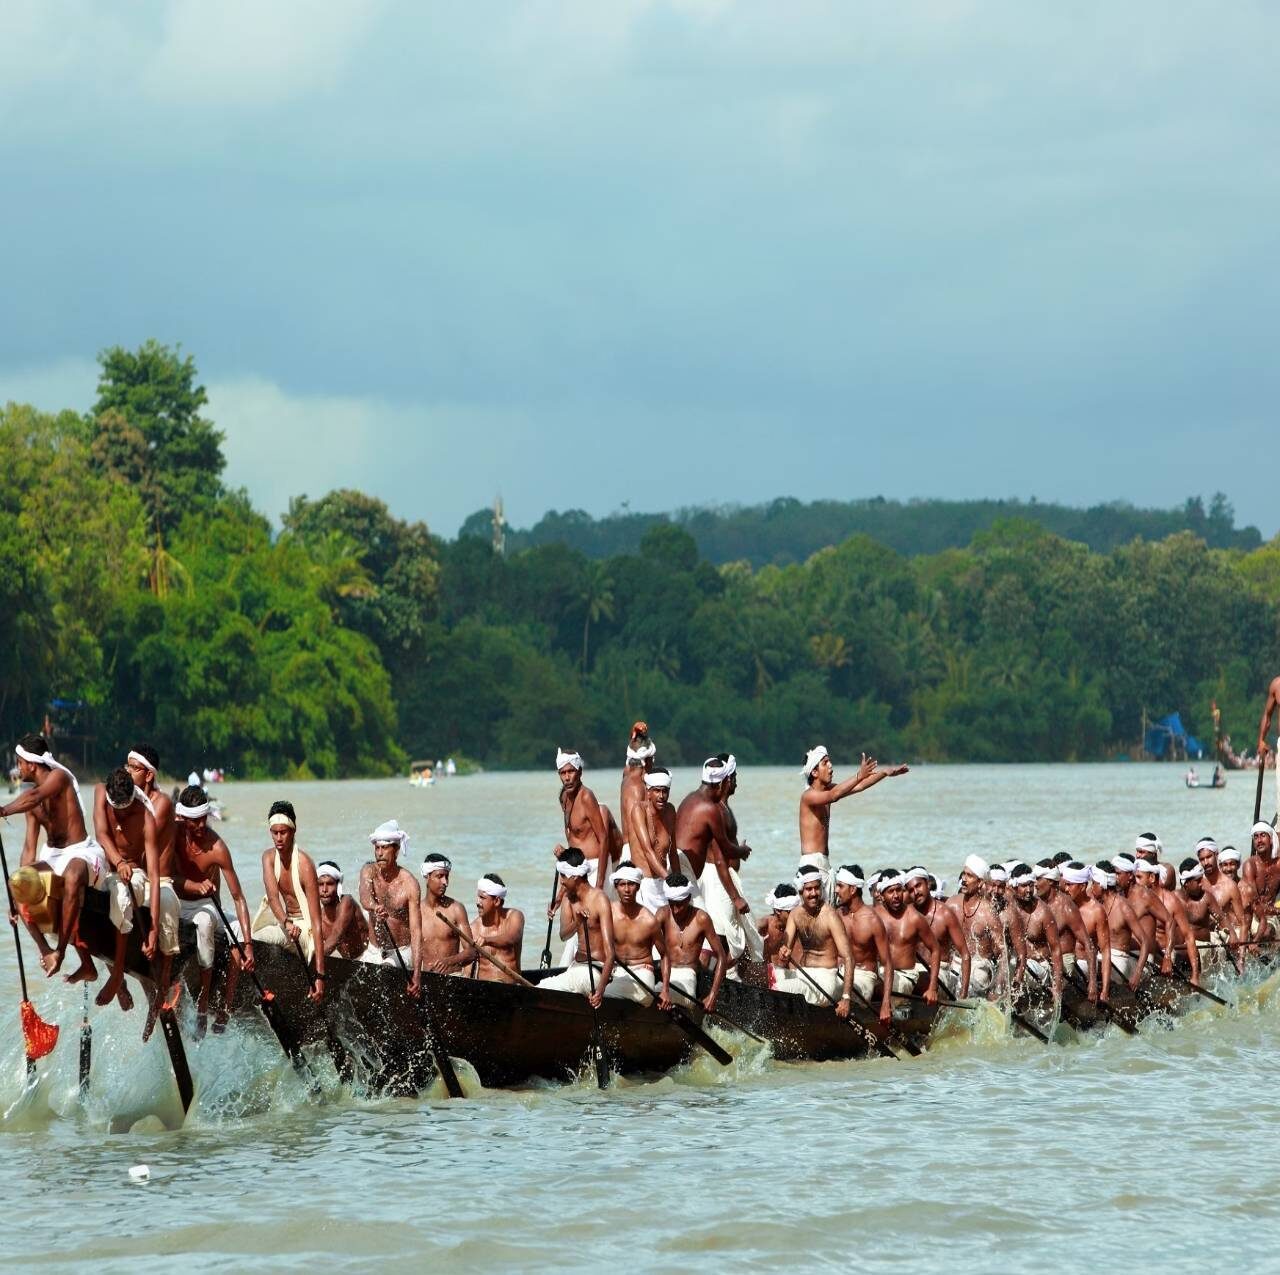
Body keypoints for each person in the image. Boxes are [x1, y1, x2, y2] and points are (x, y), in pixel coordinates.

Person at [3, 733, 106, 982]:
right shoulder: (32, 804)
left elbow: (36, 797)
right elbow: (29, 849)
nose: (18, 768)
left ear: (31, 763)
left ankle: (60, 951)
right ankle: (46, 951)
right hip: (53, 856)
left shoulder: (59, 778)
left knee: (72, 876)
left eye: (19, 762)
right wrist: (17, 895)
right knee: (17, 883)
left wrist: (3, 810)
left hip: (82, 851)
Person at [171, 784, 260, 1033]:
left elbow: (239, 898)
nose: (200, 826)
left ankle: (223, 1006)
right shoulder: (172, 833)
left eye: (203, 819)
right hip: (176, 902)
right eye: (194, 821)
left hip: (206, 906)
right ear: (182, 818)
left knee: (236, 931)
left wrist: (249, 947)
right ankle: (172, 992)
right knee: (203, 921)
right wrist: (193, 885)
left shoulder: (217, 848)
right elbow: (163, 877)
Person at [95, 766, 181, 1017]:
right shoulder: (100, 793)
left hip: (135, 876)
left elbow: (154, 875)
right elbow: (101, 833)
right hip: (107, 870)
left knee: (125, 896)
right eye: (116, 808)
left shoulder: (146, 817)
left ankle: (149, 981)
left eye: (125, 808)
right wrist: (118, 862)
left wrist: (153, 929)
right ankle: (116, 976)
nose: (120, 815)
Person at [672, 758, 757, 975]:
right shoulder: (710, 809)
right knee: (704, 927)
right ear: (720, 785)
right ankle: (698, 980)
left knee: (688, 927)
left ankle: (691, 975)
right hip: (686, 872)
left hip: (678, 868)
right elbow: (725, 850)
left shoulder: (689, 799)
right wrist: (742, 852)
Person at [798, 746, 908, 899]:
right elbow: (834, 795)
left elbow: (860, 785)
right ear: (814, 772)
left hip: (824, 862)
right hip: (811, 864)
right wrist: (859, 774)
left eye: (830, 761)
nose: (830, 766)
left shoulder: (828, 790)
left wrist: (884, 772)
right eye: (825, 762)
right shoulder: (808, 796)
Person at [251, 802, 326, 992]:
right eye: (274, 832)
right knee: (247, 937)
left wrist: (320, 976)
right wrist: (286, 922)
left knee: (256, 938)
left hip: (305, 932)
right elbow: (273, 898)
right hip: (287, 925)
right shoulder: (268, 858)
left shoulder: (304, 864)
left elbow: (317, 922)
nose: (278, 838)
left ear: (293, 831)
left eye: (283, 832)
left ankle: (267, 986)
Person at [539, 848, 615, 1006]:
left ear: (574, 876)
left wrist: (600, 992)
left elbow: (610, 954)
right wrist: (578, 922)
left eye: (563, 876)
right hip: (576, 967)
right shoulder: (568, 899)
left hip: (595, 971)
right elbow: (563, 935)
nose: (561, 881)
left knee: (542, 988)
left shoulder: (599, 899)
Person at [775, 866, 855, 1014]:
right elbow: (784, 952)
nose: (813, 894)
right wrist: (783, 952)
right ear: (801, 892)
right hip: (803, 973)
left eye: (817, 888)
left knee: (777, 988)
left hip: (825, 980)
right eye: (809, 889)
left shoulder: (831, 916)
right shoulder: (795, 914)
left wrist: (846, 998)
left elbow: (849, 957)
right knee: (771, 978)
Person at [358, 820, 422, 995]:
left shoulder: (410, 884)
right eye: (377, 848)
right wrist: (374, 907)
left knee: (384, 974)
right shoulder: (368, 870)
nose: (379, 853)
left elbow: (416, 932)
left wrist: (417, 974)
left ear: (396, 850)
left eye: (384, 848)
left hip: (400, 952)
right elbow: (364, 897)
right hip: (373, 950)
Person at [657, 873, 726, 1013]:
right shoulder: (662, 914)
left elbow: (721, 957)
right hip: (665, 972)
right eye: (672, 904)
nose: (675, 910)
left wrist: (713, 995)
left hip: (687, 974)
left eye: (680, 904)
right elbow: (644, 942)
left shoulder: (701, 918)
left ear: (688, 898)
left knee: (657, 995)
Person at [834, 865, 895, 1022]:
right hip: (839, 973)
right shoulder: (837, 915)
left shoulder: (873, 920)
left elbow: (887, 964)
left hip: (864, 977)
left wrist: (885, 1004)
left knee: (835, 989)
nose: (835, 890)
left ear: (853, 889)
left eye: (840, 886)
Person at [553, 749, 619, 892]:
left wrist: (599, 885)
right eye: (563, 773)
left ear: (580, 772)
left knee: (594, 913)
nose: (567, 777)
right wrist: (564, 854)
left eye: (571, 771)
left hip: (594, 866)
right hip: (575, 866)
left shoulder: (586, 797)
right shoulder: (565, 797)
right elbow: (573, 836)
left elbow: (603, 838)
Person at [877, 869, 942, 1004]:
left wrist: (933, 988)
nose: (896, 895)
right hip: (881, 972)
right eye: (890, 891)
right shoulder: (874, 916)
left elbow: (935, 949)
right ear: (881, 896)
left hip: (905, 975)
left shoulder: (915, 918)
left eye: (898, 890)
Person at [1035, 860, 1096, 1000]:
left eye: (1038, 879)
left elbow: (1089, 945)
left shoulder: (1066, 907)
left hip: (1064, 961)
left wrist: (1092, 984)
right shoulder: (1037, 903)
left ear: (1050, 881)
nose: (1034, 883)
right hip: (1044, 960)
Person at [605, 863, 665, 1003]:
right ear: (616, 886)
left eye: (631, 884)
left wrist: (665, 991)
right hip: (616, 971)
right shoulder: (608, 913)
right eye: (622, 884)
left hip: (642, 972)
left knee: (603, 996)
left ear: (638, 886)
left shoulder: (649, 920)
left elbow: (665, 955)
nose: (626, 889)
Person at [907, 866, 968, 1001]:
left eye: (918, 886)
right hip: (912, 971)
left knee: (918, 980)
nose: (916, 892)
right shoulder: (907, 914)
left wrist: (963, 996)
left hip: (940, 974)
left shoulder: (945, 914)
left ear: (928, 884)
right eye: (911, 890)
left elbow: (965, 954)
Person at [946, 855, 1005, 996]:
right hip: (955, 962)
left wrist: (997, 988)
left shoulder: (988, 913)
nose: (964, 880)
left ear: (980, 883)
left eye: (970, 876)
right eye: (964, 874)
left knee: (976, 980)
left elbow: (1003, 954)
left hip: (979, 966)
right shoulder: (951, 904)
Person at [1089, 862, 1150, 991]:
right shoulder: (1096, 906)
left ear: (1102, 884)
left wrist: (1137, 973)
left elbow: (1145, 941)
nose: (1091, 887)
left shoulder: (1123, 907)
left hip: (1119, 960)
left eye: (1093, 883)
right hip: (1102, 957)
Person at [1007, 864, 1063, 1000]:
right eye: (1024, 886)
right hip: (1017, 963)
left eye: (1031, 885)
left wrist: (1057, 986)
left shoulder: (1043, 912)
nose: (1028, 890)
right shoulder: (1008, 907)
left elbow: (1056, 949)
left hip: (1039, 967)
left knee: (1014, 968)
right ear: (1014, 887)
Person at [619, 722, 661, 899]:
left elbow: (632, 754)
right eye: (653, 759)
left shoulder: (628, 774)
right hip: (635, 854)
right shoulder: (637, 787)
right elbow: (637, 830)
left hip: (637, 851)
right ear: (648, 760)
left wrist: (634, 735)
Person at [418, 852, 474, 975]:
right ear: (427, 877)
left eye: (447, 877)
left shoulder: (456, 909)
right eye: (440, 876)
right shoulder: (416, 911)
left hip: (453, 977)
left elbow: (472, 952)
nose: (445, 882)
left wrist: (449, 961)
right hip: (425, 978)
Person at [631, 768, 676, 913]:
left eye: (665, 791)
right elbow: (647, 851)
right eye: (657, 791)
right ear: (648, 791)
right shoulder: (639, 810)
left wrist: (678, 881)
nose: (661, 796)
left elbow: (673, 853)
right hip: (644, 884)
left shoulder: (670, 811)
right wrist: (669, 879)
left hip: (664, 881)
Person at [1195, 838, 1249, 959]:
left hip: (1225, 937)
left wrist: (1241, 958)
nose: (1205, 862)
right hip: (1205, 937)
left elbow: (1243, 923)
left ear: (1216, 855)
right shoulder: (1198, 885)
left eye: (1208, 857)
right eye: (1202, 859)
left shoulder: (1230, 886)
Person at [467, 875, 524, 983]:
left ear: (497, 901)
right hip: (484, 991)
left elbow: (512, 938)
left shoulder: (515, 916)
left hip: (512, 989)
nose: (477, 902)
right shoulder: (473, 929)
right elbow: (467, 970)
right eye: (478, 897)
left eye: (482, 898)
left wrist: (487, 940)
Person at [317, 862, 367, 961]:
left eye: (330, 884)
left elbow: (336, 935)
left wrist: (314, 961)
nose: (324, 889)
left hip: (368, 959)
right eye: (320, 884)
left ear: (338, 885)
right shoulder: (320, 916)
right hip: (349, 963)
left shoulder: (347, 901)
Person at [759, 884, 801, 990]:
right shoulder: (764, 925)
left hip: (788, 977)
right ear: (778, 910)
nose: (795, 916)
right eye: (790, 912)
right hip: (767, 976)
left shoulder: (798, 927)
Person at [1243, 822, 1280, 936]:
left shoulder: (1278, 865)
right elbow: (1255, 904)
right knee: (1266, 931)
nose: (1259, 840)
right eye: (1256, 837)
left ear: (1271, 839)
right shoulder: (1250, 865)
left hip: (1272, 915)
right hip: (1253, 914)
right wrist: (1278, 911)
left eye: (1263, 835)